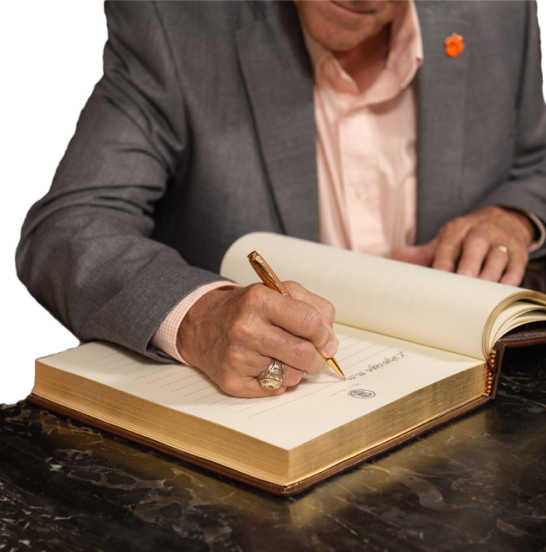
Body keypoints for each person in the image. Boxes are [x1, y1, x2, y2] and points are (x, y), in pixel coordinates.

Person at [15, 0, 546, 398]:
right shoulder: (175, 23)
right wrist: (201, 315)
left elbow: (534, 164)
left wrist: (514, 216)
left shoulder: (499, 10)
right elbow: (70, 227)